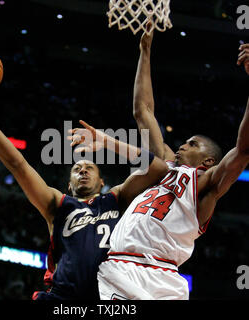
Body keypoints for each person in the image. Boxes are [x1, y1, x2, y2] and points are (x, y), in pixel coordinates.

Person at [0, 64, 168, 300]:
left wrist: (107, 142)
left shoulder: (117, 199)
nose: (83, 170)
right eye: (77, 169)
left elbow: (158, 168)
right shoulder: (58, 204)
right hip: (60, 299)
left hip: (110, 299)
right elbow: (16, 163)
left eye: (89, 168)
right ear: (68, 184)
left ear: (102, 180)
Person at [97, 33, 249, 300]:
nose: (181, 146)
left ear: (209, 161)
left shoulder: (206, 183)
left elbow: (244, 149)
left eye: (192, 144)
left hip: (164, 276)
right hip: (120, 268)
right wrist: (145, 50)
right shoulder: (162, 165)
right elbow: (143, 111)